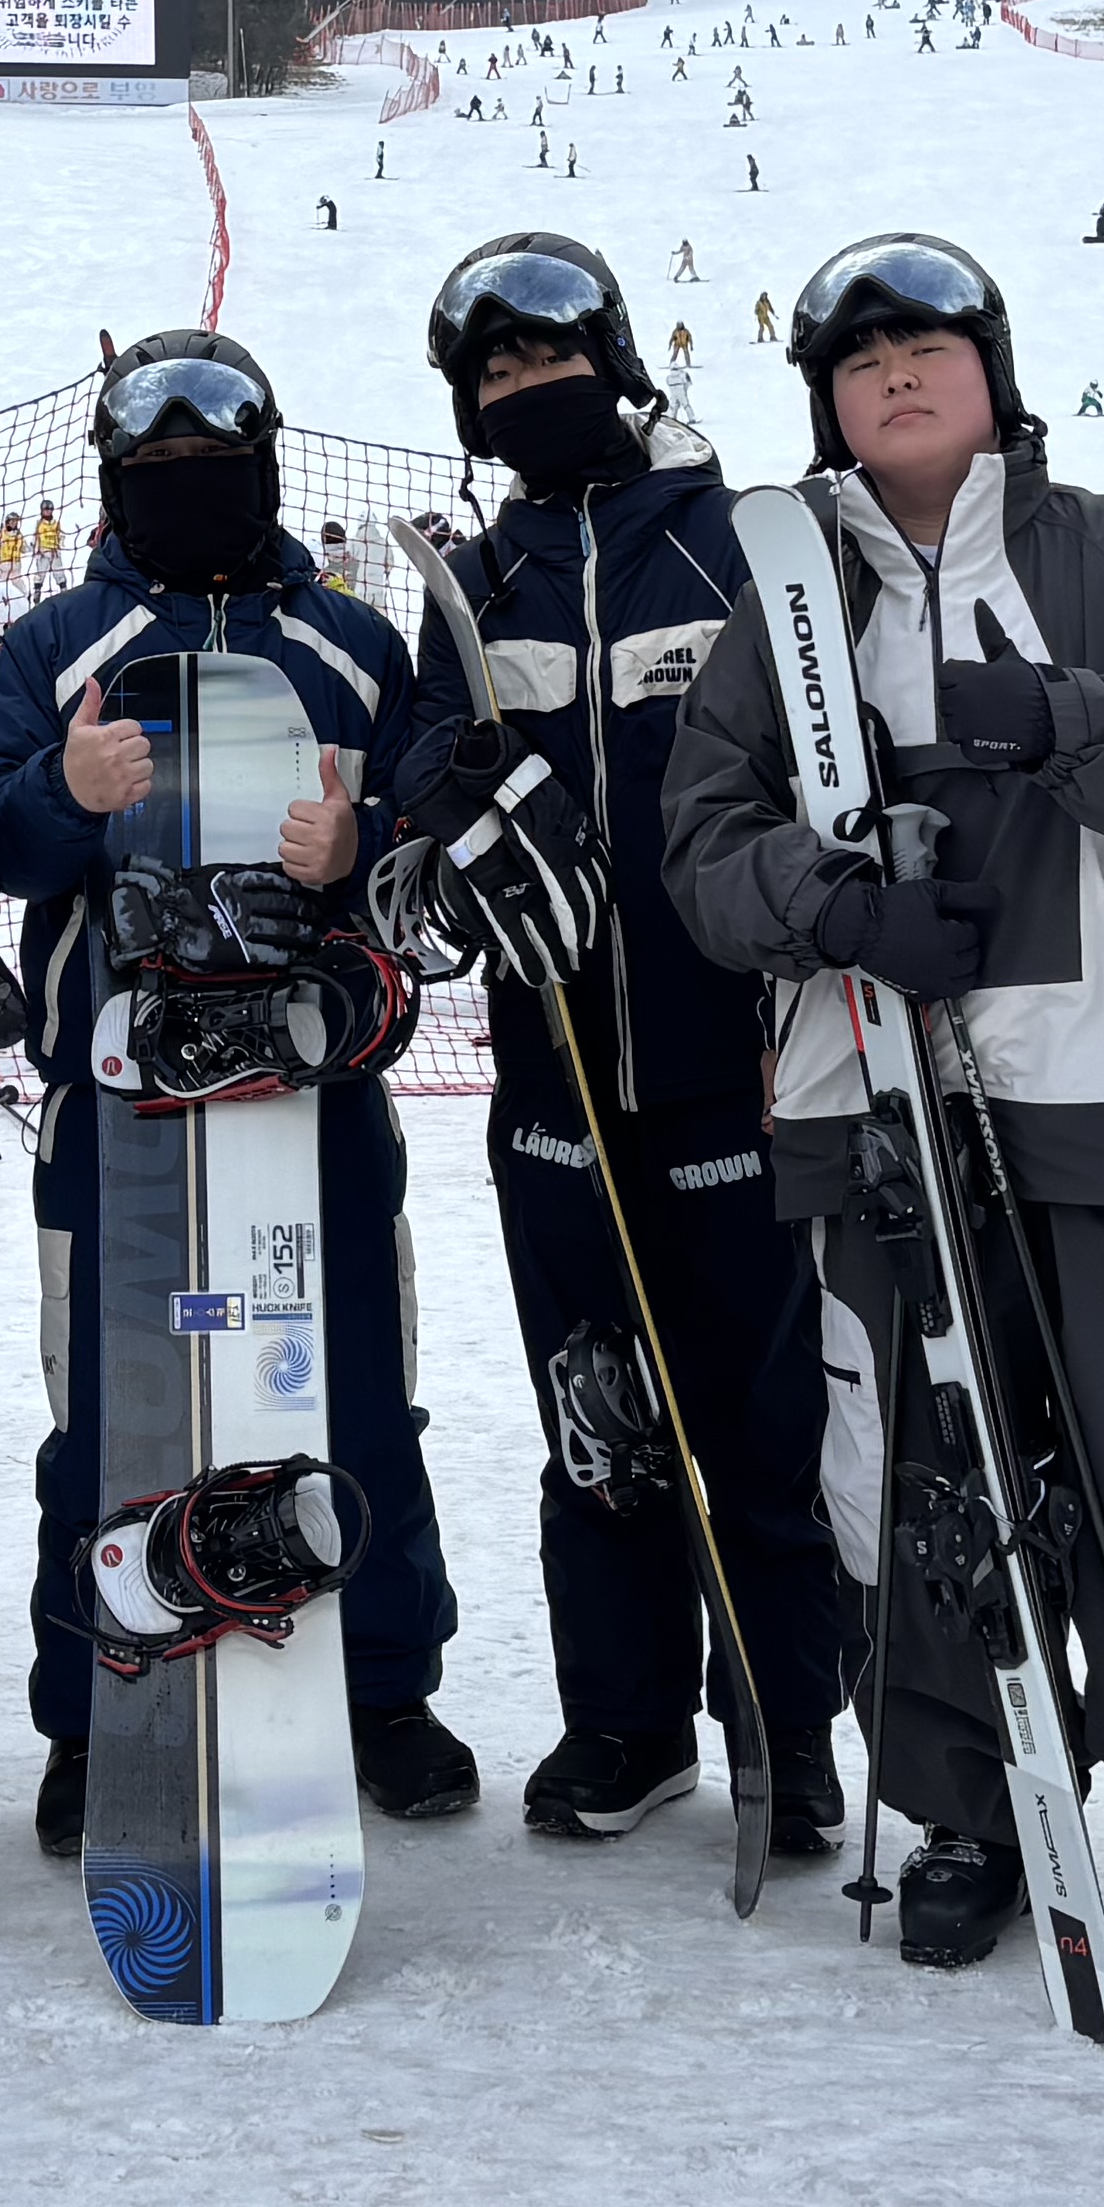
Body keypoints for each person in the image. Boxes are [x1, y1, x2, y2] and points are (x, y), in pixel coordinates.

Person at [660, 237, 1104, 2009]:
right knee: (908, 1483)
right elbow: (702, 841)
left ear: (992, 365)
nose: (894, 374)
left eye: (927, 344)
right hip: (877, 1106)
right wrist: (832, 903)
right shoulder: (789, 600)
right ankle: (961, 1806)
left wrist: (1061, 717)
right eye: (857, 355)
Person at [0, 334, 472, 1852]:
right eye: (157, 468)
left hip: (312, 1086)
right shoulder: (58, 641)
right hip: (116, 1100)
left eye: (218, 460)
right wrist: (72, 797)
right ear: (114, 485)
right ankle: (94, 1700)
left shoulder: (349, 644)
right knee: (114, 1415)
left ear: (266, 463)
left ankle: (381, 1683)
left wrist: (362, 846)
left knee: (361, 1396)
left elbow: (419, 865)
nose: (190, 487)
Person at [380, 236, 847, 1861]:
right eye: (494, 373)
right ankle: (627, 1721)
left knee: (758, 1419)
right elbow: (408, 815)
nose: (527, 390)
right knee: (600, 1416)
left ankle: (788, 1730)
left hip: (735, 1069)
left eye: (548, 356)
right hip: (553, 1080)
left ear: (620, 355)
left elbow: (826, 778)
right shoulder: (472, 588)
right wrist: (456, 839)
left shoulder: (736, 546)